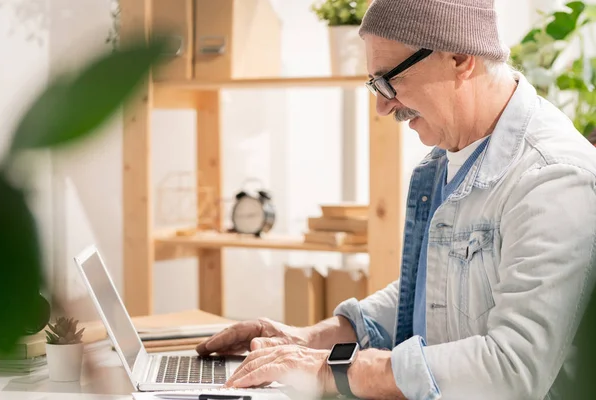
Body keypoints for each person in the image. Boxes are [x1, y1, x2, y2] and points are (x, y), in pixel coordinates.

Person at [196, 1, 596, 399]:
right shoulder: (445, 161)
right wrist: (308, 338)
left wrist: (333, 370)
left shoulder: (551, 179)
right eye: (375, 84)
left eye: (389, 80)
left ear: (459, 57)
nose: (382, 105)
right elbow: (435, 293)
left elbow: (512, 368)